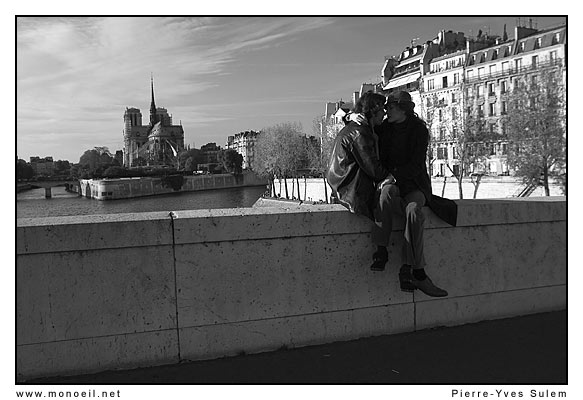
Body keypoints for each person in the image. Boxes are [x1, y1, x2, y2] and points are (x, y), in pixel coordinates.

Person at [350, 90, 456, 298]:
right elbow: (362, 126)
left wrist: (393, 176)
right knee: (385, 194)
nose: (386, 110)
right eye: (386, 108)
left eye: (390, 107)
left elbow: (416, 164)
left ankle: (412, 268)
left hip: (414, 183)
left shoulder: (418, 130)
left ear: (403, 109)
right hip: (392, 182)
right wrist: (350, 117)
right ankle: (381, 250)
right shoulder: (385, 128)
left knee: (414, 211)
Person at [326, 91, 395, 232]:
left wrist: (349, 116)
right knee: (386, 204)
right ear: (373, 110)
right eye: (382, 109)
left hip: (342, 185)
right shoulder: (360, 132)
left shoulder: (358, 128)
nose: (384, 113)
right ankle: (382, 249)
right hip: (351, 191)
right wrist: (391, 177)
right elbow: (373, 168)